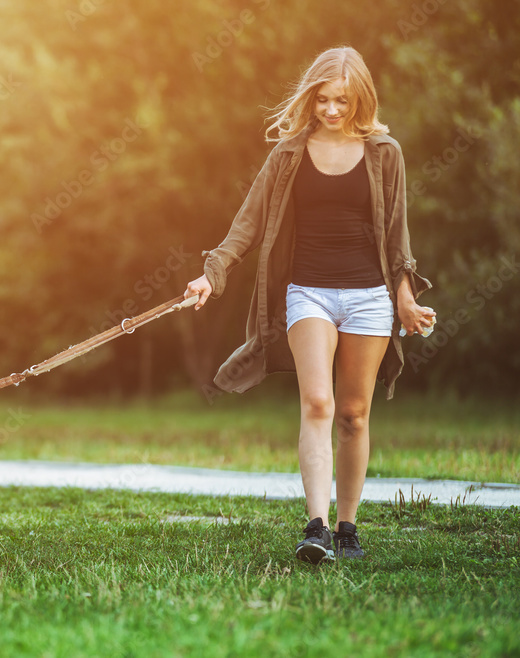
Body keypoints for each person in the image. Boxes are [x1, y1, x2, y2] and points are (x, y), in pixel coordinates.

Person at [183, 46, 435, 564]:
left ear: (360, 97)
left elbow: (397, 235)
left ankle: (348, 527)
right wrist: (212, 274)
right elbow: (247, 224)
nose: (332, 110)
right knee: (317, 403)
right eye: (323, 100)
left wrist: (406, 300)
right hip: (309, 292)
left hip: (369, 298)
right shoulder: (289, 153)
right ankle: (316, 526)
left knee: (354, 415)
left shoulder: (385, 152)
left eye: (342, 100)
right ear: (311, 98)